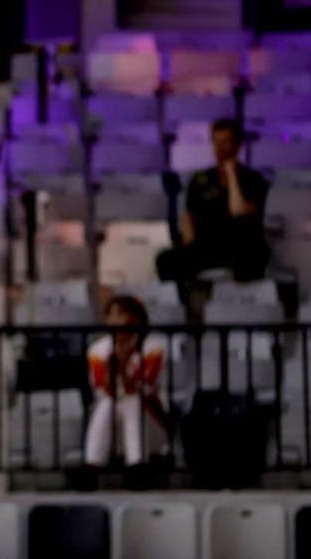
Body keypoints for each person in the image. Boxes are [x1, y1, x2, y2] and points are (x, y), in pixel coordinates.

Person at [156, 119, 271, 284]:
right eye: (216, 142)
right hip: (208, 244)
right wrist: (188, 239)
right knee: (166, 260)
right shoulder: (200, 179)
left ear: (237, 145)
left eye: (225, 142)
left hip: (242, 245)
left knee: (251, 259)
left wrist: (231, 174)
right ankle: (186, 306)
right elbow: (189, 216)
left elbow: (238, 210)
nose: (220, 148)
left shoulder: (254, 179)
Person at [84, 296, 167, 470]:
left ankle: (136, 463)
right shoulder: (97, 351)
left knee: (133, 401)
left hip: (150, 417)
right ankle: (93, 463)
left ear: (136, 318)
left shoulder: (153, 347)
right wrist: (112, 368)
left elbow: (140, 389)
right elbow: (104, 390)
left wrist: (122, 366)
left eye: (121, 314)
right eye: (111, 315)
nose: (115, 320)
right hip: (113, 417)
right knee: (107, 403)